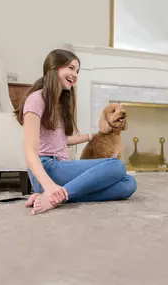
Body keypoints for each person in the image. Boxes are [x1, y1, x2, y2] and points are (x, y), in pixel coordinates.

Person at [14, 49, 137, 215]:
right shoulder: (36, 99)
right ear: (53, 67)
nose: (75, 74)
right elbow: (30, 152)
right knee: (116, 165)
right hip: (46, 170)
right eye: (71, 68)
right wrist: (49, 185)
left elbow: (60, 141)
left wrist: (91, 136)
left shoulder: (59, 103)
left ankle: (58, 195)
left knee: (129, 183)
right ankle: (53, 196)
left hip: (61, 167)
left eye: (77, 71)